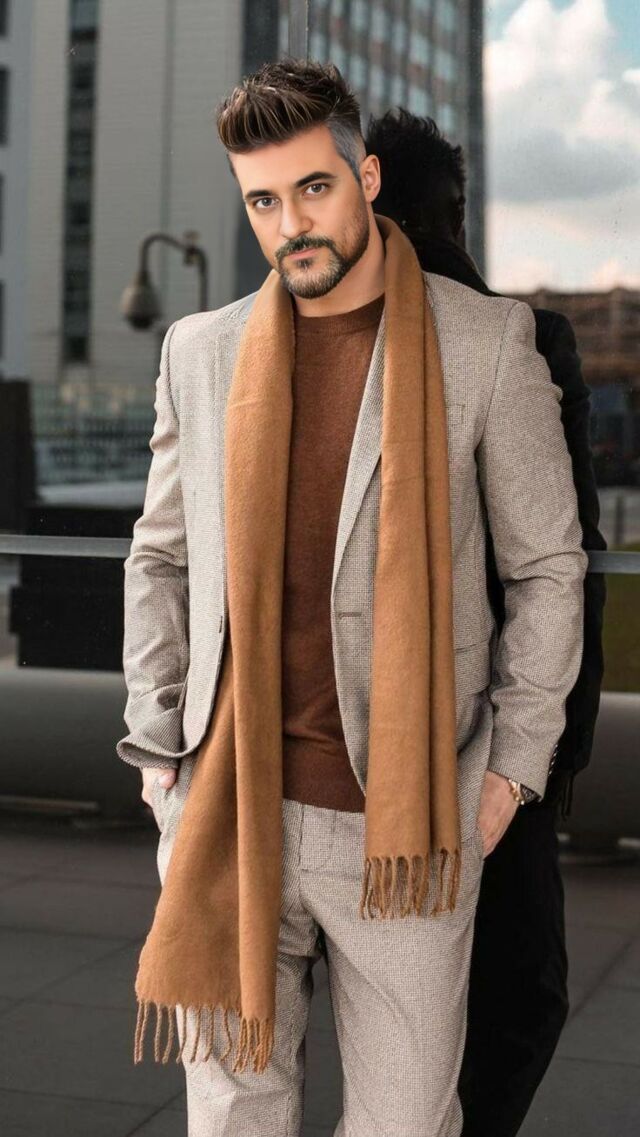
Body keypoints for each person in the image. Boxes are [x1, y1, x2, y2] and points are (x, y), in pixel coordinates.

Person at [116, 60, 588, 1137]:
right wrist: (157, 750)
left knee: (406, 1124)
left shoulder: (485, 343)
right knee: (233, 1119)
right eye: (262, 201)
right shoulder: (200, 352)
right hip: (228, 808)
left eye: (313, 188)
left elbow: (548, 569)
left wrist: (509, 774)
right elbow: (160, 558)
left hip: (407, 824)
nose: (291, 225)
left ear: (365, 178)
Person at [365, 107, 607, 1137]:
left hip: (362, 722)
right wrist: (554, 752)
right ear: (453, 210)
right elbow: (567, 561)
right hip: (489, 726)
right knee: (517, 994)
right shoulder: (524, 336)